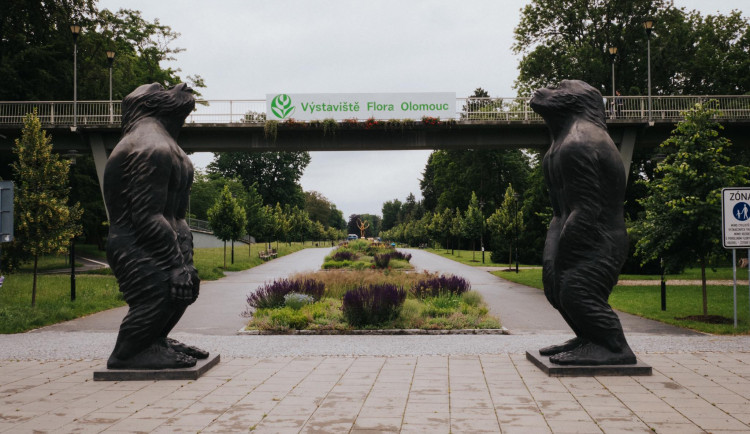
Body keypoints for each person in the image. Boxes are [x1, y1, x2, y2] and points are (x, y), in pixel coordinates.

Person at [530, 80, 636, 365]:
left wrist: (565, 252)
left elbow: (587, 209)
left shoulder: (581, 141)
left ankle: (614, 346)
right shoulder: (558, 147)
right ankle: (589, 338)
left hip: (600, 237)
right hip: (574, 229)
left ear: (579, 101)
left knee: (575, 289)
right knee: (556, 288)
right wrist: (552, 252)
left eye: (559, 89)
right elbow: (559, 211)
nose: (545, 91)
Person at [104, 83, 208, 369]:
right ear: (149, 105)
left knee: (184, 290)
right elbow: (147, 216)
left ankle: (155, 341)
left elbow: (176, 215)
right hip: (136, 243)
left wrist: (185, 261)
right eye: (163, 89)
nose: (181, 86)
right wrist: (175, 265)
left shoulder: (173, 150)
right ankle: (129, 352)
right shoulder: (150, 147)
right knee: (160, 292)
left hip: (163, 243)